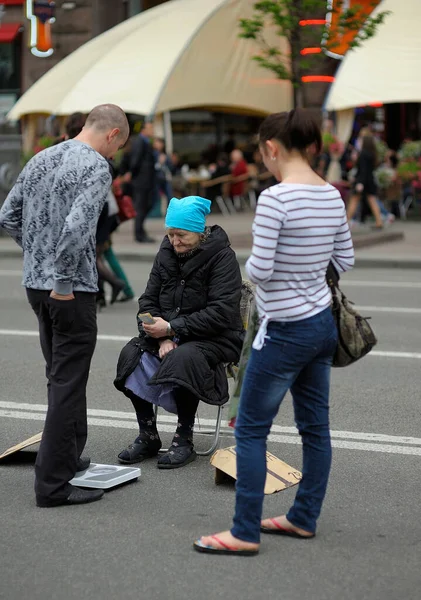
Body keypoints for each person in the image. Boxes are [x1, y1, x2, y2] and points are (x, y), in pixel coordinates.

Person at [194, 108, 354, 555]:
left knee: (249, 430)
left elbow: (259, 269)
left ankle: (243, 532)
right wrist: (307, 270)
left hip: (282, 329)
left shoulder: (276, 199)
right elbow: (345, 260)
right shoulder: (332, 194)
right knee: (315, 430)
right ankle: (303, 517)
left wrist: (281, 271)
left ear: (271, 148)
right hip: (322, 325)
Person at [0, 104, 130, 507]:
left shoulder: (43, 156)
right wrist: (62, 278)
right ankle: (53, 485)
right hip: (69, 290)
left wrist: (37, 256)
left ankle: (68, 457)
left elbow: (8, 216)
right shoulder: (95, 167)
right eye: (118, 146)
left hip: (37, 287)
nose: (115, 155)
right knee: (68, 382)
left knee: (59, 376)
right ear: (111, 134)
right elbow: (77, 227)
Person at [114, 196, 244, 469]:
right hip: (170, 334)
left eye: (181, 235)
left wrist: (173, 328)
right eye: (170, 234)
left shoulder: (222, 257)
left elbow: (221, 313)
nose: (175, 241)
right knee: (131, 354)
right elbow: (148, 300)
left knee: (183, 357)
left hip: (216, 337)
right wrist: (161, 336)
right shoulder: (166, 254)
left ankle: (184, 438)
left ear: (198, 231)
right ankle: (148, 434)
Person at [346, 134, 383, 229]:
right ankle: (379, 222)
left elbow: (363, 170)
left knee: (354, 200)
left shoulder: (363, 154)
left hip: (362, 181)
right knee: (372, 201)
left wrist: (360, 183)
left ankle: (345, 223)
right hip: (370, 181)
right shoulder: (372, 154)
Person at [128, 121, 156, 243]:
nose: (152, 130)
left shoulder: (146, 141)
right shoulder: (140, 141)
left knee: (147, 204)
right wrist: (133, 175)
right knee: (141, 207)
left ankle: (140, 231)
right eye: (150, 128)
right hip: (141, 180)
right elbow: (135, 160)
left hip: (146, 180)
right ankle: (139, 234)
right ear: (143, 129)